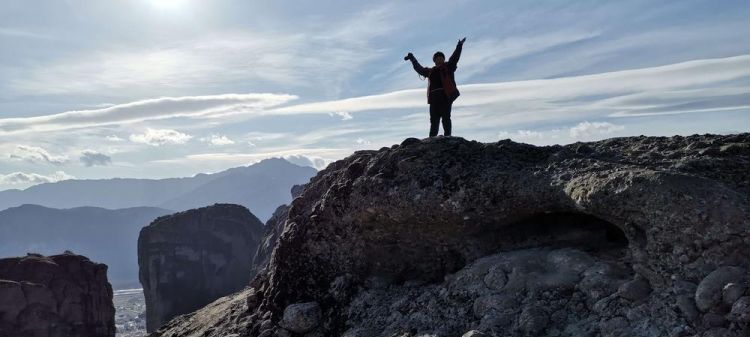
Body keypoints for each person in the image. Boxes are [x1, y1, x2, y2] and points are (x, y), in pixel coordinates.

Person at [405, 37, 465, 137]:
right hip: (434, 99)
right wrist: (412, 58)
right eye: (437, 58)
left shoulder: (448, 67)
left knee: (446, 118)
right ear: (434, 60)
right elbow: (419, 69)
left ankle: (448, 137)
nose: (440, 59)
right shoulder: (430, 71)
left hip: (445, 97)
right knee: (434, 120)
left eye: (441, 57)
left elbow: (455, 57)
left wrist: (459, 46)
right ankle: (432, 139)